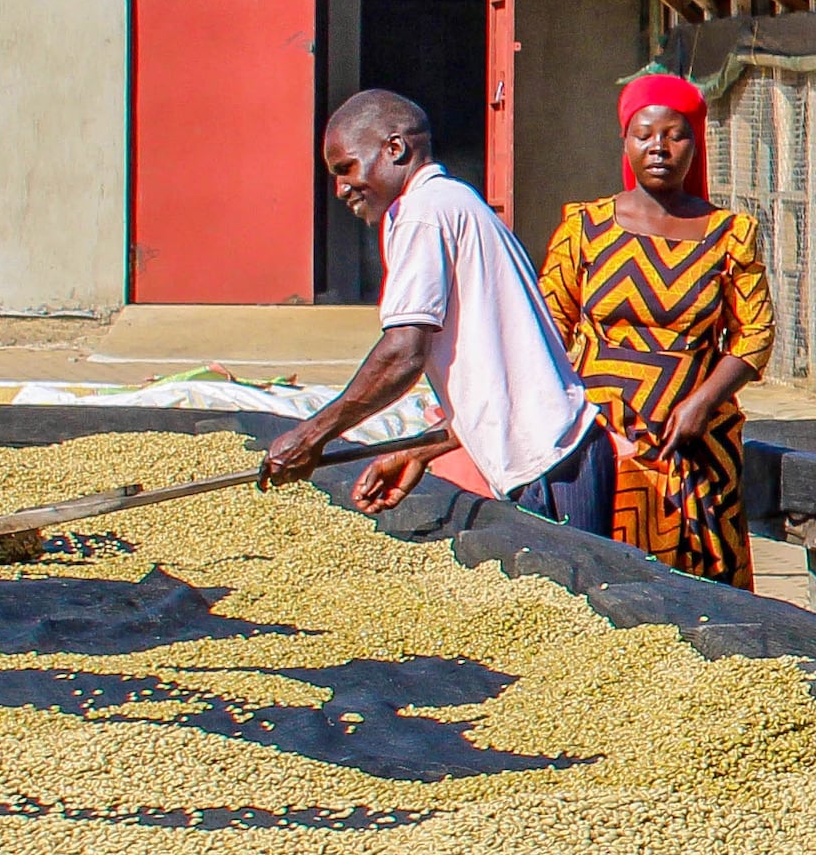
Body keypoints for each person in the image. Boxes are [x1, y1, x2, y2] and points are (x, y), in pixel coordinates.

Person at [259, 90, 609, 529]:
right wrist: (417, 451)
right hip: (555, 457)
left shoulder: (421, 212)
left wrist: (310, 436)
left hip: (553, 463)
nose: (341, 188)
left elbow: (403, 352)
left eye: (346, 168)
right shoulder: (450, 202)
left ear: (394, 149)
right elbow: (494, 380)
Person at [540, 73, 774, 586]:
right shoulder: (584, 227)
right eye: (644, 134)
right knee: (597, 582)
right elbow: (548, 325)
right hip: (601, 439)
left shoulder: (731, 235)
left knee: (700, 596)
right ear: (625, 141)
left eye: (676, 134)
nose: (659, 147)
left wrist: (702, 404)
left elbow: (754, 335)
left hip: (692, 445)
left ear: (696, 142)